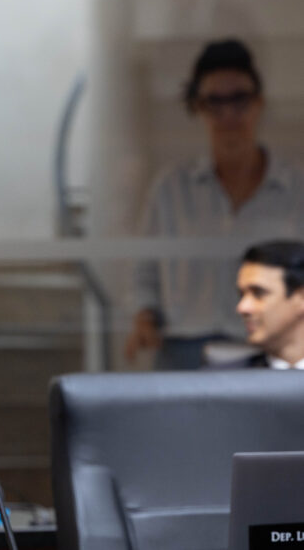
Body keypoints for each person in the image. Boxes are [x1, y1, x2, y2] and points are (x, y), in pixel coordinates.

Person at [127, 39, 304, 369]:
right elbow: (144, 270)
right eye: (215, 103)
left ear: (259, 103)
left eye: (239, 100)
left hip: (270, 348)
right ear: (199, 108)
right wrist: (144, 318)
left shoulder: (295, 187)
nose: (228, 116)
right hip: (184, 349)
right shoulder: (171, 189)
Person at [232, 240, 304, 369]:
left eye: (258, 293)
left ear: (301, 297)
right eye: (242, 295)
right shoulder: (220, 378)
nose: (242, 307)